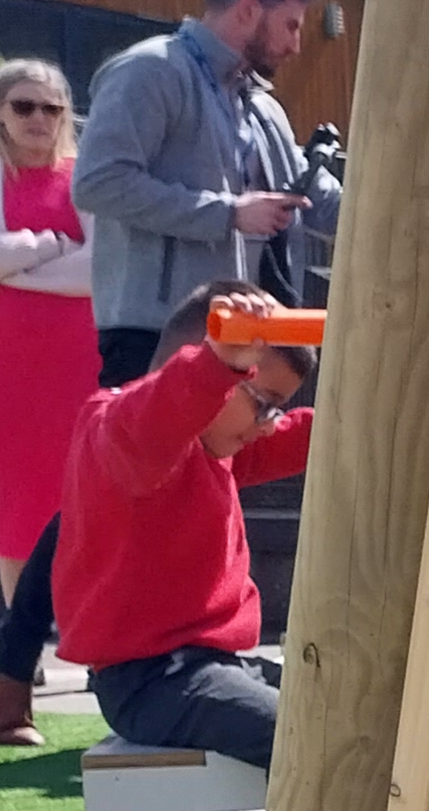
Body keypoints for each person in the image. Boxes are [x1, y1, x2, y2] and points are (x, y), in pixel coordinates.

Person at [0, 0, 337, 747]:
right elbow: (98, 182)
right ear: (248, 10)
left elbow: (306, 196)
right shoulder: (151, 71)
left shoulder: (259, 103)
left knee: (157, 487)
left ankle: (13, 658)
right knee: (114, 485)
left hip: (247, 334)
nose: (299, 43)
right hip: (168, 329)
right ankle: (15, 659)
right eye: (292, 24)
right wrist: (226, 214)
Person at [57, 286, 313, 768]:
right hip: (149, 682)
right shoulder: (120, 427)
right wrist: (218, 364)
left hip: (214, 667)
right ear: (201, 367)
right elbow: (153, 421)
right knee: (303, 739)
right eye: (263, 403)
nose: (266, 424)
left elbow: (295, 438)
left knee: (344, 709)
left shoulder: (214, 443)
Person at [0, 58, 98, 606]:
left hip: (87, 371)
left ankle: (90, 636)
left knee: (93, 505)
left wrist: (7, 264)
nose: (39, 118)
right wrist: (50, 244)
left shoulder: (89, 176)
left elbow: (103, 270)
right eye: (24, 106)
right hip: (5, 379)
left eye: (52, 108)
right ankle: (20, 650)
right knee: (20, 509)